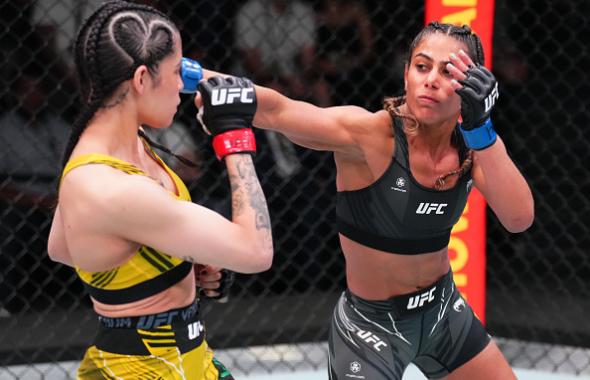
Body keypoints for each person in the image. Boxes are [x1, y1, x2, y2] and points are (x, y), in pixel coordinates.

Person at [204, 21, 534, 379]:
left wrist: (482, 131)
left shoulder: (472, 146)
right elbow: (279, 110)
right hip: (371, 327)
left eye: (448, 71)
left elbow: (519, 218)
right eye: (422, 66)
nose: (431, 80)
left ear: (472, 86)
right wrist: (181, 72)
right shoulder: (370, 137)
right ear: (406, 72)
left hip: (443, 312)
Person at [46, 1, 273, 378]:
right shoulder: (108, 184)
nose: (182, 85)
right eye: (174, 71)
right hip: (142, 369)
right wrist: (234, 141)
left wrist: (174, 260)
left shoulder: (121, 141)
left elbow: (61, 246)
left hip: (185, 356)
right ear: (139, 79)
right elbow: (256, 250)